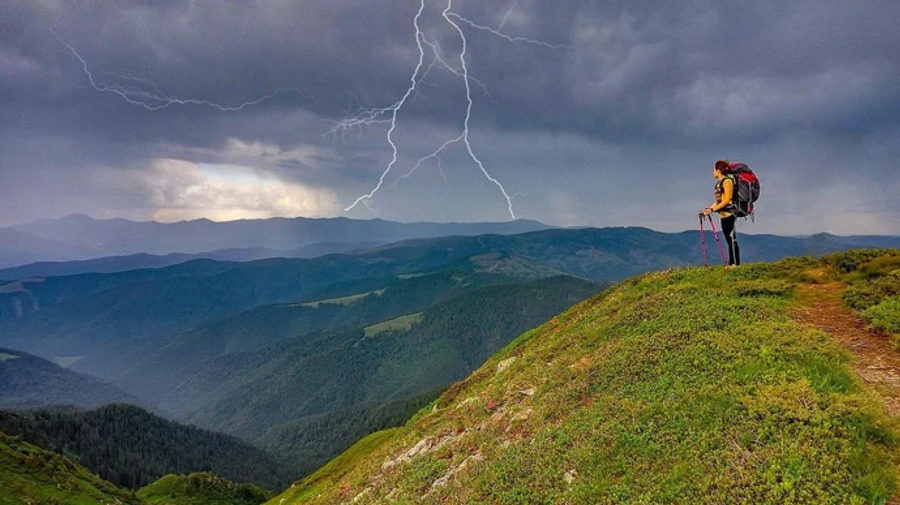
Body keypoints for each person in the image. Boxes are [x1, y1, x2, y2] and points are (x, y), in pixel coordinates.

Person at [700, 160, 740, 267]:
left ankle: (735, 264)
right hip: (723, 215)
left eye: (714, 170)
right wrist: (708, 210)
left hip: (730, 214)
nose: (713, 172)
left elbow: (727, 200)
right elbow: (718, 201)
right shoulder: (719, 183)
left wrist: (712, 210)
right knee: (728, 239)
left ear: (718, 170)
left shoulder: (727, 182)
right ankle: (732, 263)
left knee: (731, 239)